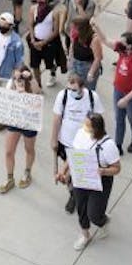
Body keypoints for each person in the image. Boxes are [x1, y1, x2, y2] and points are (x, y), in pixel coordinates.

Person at [65, 112, 121, 250]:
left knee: (94, 214)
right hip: (81, 176)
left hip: (100, 180)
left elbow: (117, 168)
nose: (84, 127)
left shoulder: (108, 146)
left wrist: (104, 171)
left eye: (87, 126)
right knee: (81, 208)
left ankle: (102, 220)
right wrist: (64, 170)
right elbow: (73, 152)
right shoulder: (80, 134)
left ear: (96, 129)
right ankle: (85, 234)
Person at [51, 69, 104, 214]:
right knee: (68, 172)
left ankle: (77, 195)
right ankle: (72, 194)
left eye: (74, 89)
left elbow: (99, 120)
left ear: (82, 87)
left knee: (76, 173)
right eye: (69, 88)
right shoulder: (63, 96)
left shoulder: (93, 98)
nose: (71, 91)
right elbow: (57, 119)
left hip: (84, 146)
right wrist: (53, 139)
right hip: (66, 142)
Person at [0, 67, 42, 194]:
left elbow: (38, 92)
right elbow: (4, 98)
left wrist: (31, 78)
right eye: (15, 78)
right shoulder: (11, 85)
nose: (18, 80)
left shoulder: (30, 85)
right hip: (15, 121)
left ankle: (27, 173)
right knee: (8, 151)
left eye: (21, 77)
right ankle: (9, 178)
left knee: (29, 149)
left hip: (29, 122)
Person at [0, 11, 27, 133]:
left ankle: (2, 122)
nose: (1, 27)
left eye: (4, 25)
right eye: (0, 24)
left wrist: (16, 74)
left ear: (10, 26)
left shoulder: (16, 41)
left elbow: (19, 60)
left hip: (7, 76)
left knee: (5, 100)